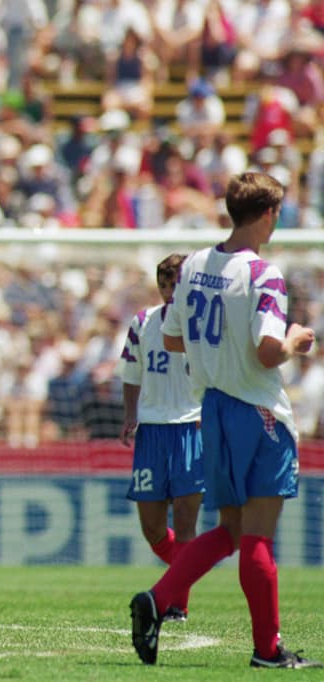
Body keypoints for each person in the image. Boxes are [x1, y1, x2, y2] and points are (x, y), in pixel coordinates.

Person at [130, 172, 319, 669]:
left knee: (231, 529)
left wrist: (215, 350)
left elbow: (172, 338)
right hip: (257, 412)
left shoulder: (192, 265)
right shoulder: (263, 274)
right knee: (256, 534)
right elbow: (265, 352)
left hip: (210, 408)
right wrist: (299, 339)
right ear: (268, 215)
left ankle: (157, 598)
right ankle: (267, 650)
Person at [118, 253, 201, 622]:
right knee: (152, 527)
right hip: (152, 430)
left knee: (185, 521)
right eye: (165, 285)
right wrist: (130, 414)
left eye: (176, 285)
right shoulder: (143, 323)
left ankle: (177, 604)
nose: (170, 292)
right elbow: (131, 372)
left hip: (191, 427)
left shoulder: (201, 327)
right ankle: (193, 565)